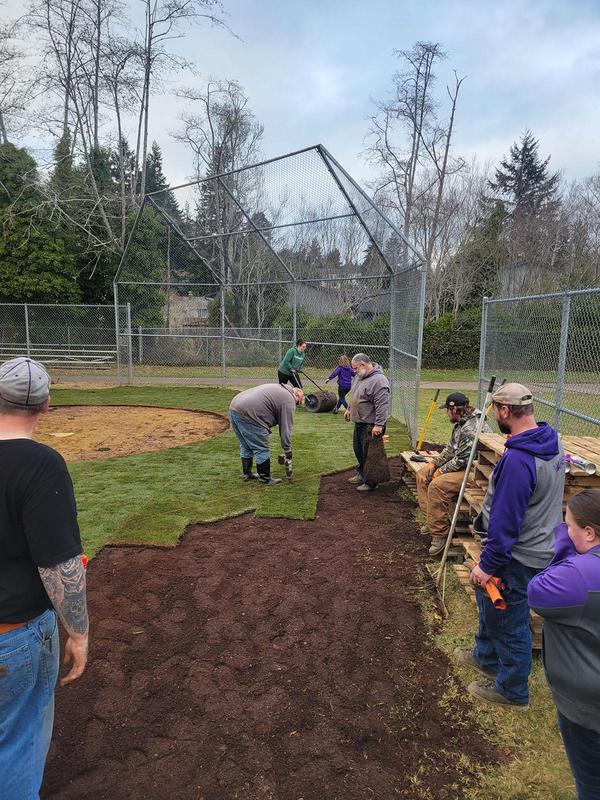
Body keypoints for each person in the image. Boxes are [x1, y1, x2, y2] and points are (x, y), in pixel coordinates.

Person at [0, 357, 89, 800]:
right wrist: (79, 633)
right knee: (16, 741)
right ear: (47, 405)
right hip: (13, 634)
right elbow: (60, 566)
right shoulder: (41, 465)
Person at [453, 383, 564, 711]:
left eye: (496, 410)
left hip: (517, 554)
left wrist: (487, 564)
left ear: (504, 412)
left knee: (509, 618)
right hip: (540, 544)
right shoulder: (549, 441)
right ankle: (486, 657)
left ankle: (512, 691)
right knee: (488, 602)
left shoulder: (519, 459)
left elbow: (506, 523)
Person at [528, 490, 600, 799]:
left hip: (588, 710)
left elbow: (537, 591)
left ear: (588, 532)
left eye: (568, 525)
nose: (564, 531)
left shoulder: (579, 576)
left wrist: (563, 548)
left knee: (591, 783)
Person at [416, 393, 491, 556]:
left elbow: (462, 460)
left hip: (475, 471)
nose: (447, 413)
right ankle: (432, 521)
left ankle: (439, 534)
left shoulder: (472, 426)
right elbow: (450, 449)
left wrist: (439, 472)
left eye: (448, 410)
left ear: (455, 409)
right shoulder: (460, 423)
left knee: (437, 485)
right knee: (423, 474)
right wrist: (434, 464)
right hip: (463, 466)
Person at [229, 383, 304, 485]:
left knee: (246, 445)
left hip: (234, 407)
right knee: (261, 448)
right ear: (297, 395)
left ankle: (247, 473)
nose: (296, 405)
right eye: (298, 403)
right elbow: (286, 428)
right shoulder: (289, 400)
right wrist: (287, 450)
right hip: (250, 413)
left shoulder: (279, 388)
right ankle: (265, 478)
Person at [344, 353, 390, 492]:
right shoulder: (360, 377)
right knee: (358, 450)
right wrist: (349, 409)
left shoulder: (379, 381)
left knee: (370, 454)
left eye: (356, 368)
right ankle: (362, 473)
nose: (354, 371)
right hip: (359, 422)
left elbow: (382, 405)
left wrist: (379, 425)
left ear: (364, 365)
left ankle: (371, 482)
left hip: (371, 425)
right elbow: (354, 395)